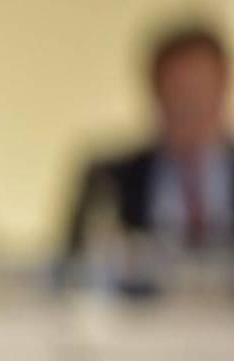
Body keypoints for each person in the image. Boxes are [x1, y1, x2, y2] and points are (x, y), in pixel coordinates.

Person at [63, 24, 233, 295]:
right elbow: (74, 271)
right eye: (178, 92)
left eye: (201, 90)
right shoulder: (109, 178)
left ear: (223, 87)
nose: (190, 106)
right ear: (155, 92)